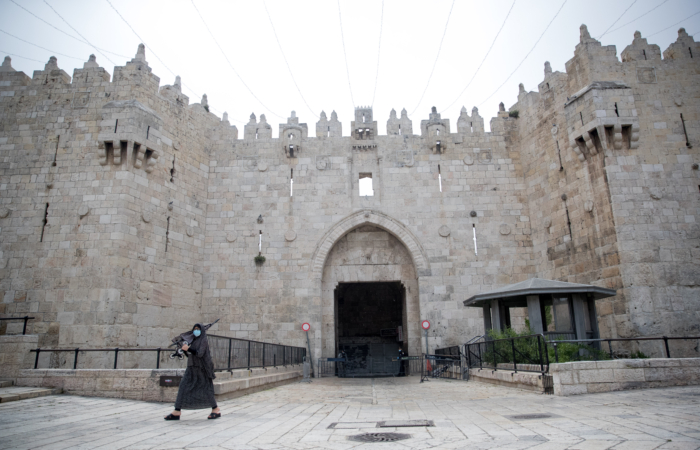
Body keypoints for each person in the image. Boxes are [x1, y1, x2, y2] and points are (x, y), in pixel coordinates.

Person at [164, 324, 221, 420]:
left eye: (198, 329)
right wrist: (184, 350)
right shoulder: (193, 340)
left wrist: (188, 349)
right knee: (183, 386)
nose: (196, 331)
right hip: (192, 367)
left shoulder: (203, 340)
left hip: (202, 368)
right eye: (195, 329)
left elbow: (200, 353)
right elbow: (191, 355)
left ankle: (215, 409)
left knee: (206, 389)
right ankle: (177, 411)